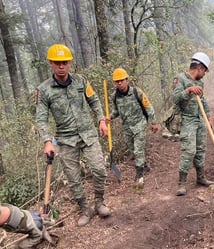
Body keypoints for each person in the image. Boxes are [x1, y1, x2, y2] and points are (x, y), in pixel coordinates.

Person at [35, 44, 111, 227]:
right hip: (66, 139)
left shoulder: (81, 81)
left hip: (88, 135)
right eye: (57, 63)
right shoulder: (44, 90)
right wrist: (47, 142)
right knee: (73, 178)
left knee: (99, 169)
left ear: (70, 63)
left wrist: (101, 120)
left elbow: (94, 100)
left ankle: (99, 202)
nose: (62, 66)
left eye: (65, 62)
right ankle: (85, 209)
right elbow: (41, 118)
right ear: (51, 64)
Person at [173, 52, 214, 196]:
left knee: (200, 150)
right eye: (204, 71)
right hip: (187, 120)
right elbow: (175, 98)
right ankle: (182, 183)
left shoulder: (200, 82)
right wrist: (189, 90)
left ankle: (201, 178)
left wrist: (208, 117)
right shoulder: (181, 78)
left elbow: (203, 100)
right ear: (199, 68)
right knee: (189, 151)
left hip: (200, 119)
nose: (204, 74)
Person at [109, 68, 159, 191]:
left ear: (127, 80)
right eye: (117, 81)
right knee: (133, 150)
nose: (119, 83)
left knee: (138, 150)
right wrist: (109, 117)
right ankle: (144, 165)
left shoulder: (137, 92)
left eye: (121, 80)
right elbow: (116, 111)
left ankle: (139, 174)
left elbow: (148, 107)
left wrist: (153, 122)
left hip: (139, 125)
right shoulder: (114, 96)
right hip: (126, 127)